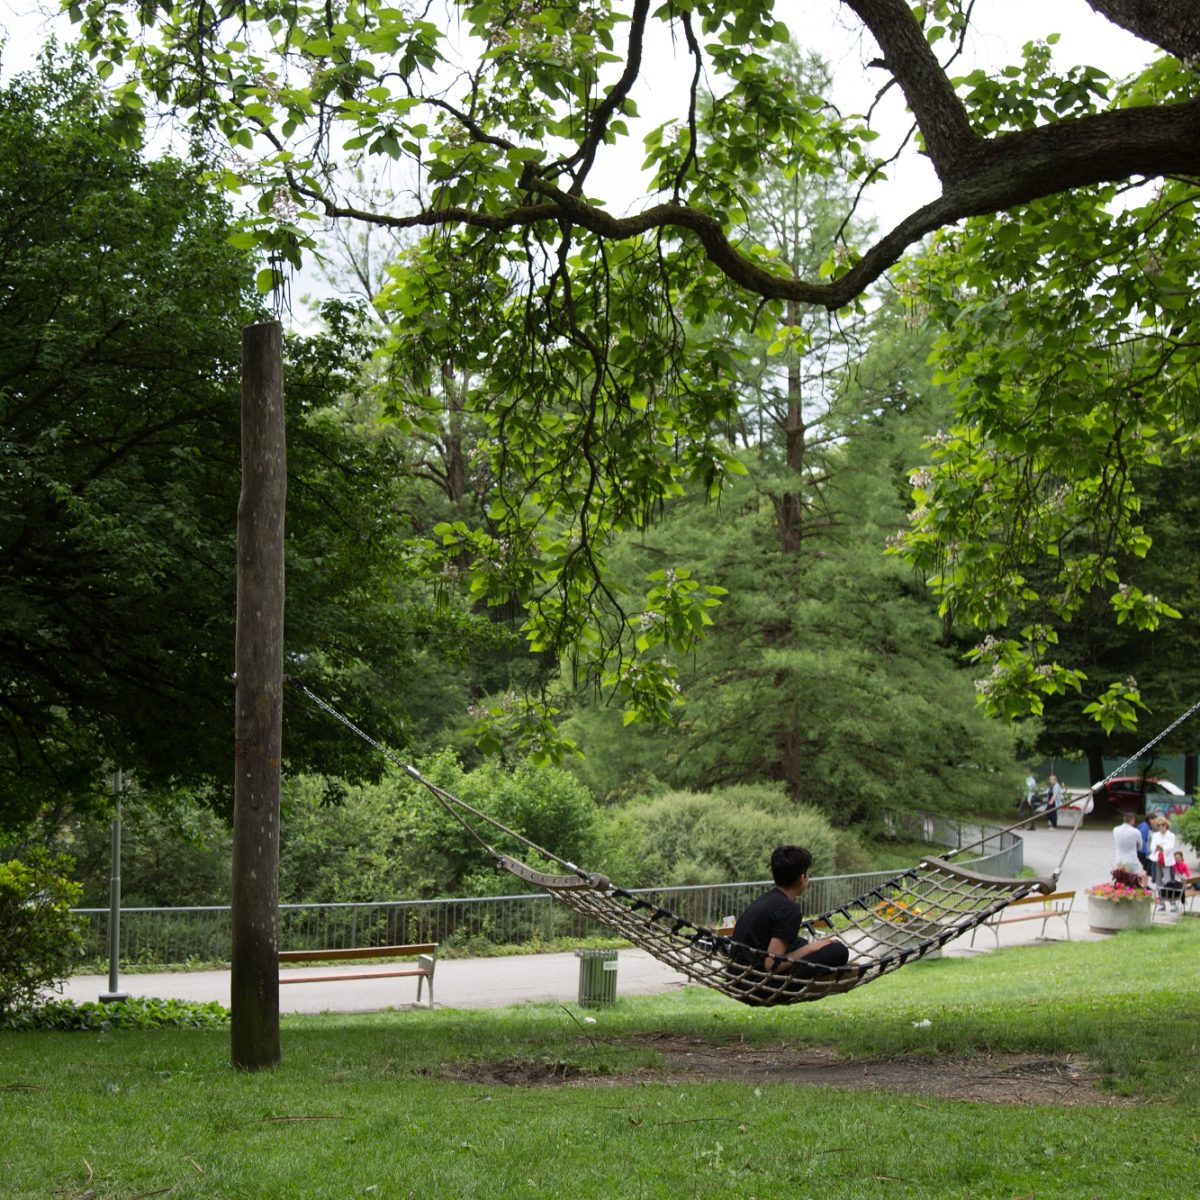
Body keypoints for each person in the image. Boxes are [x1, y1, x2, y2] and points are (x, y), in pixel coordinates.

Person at [729, 845, 850, 1001]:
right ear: (802, 878)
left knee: (800, 942)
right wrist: (812, 948)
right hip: (758, 987)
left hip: (737, 978)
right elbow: (772, 964)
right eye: (808, 874)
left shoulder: (768, 899)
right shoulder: (789, 909)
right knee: (838, 950)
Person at [1149, 817, 1177, 910]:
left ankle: (1172, 903)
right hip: (1157, 860)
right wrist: (1158, 848)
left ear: (1166, 825)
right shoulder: (1155, 835)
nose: (1161, 827)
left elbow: (1170, 847)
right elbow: (1152, 846)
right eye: (1159, 825)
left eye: (1163, 825)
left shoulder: (1171, 835)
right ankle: (1161, 903)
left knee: (1168, 882)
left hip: (1167, 861)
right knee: (1158, 882)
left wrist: (1161, 847)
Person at [1137, 811, 1154, 878]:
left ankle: (1144, 884)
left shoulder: (1144, 825)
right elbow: (1142, 840)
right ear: (1150, 819)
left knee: (1145, 868)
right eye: (1154, 819)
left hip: (1142, 851)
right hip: (1143, 852)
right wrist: (1147, 852)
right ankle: (1140, 882)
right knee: (1145, 868)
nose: (1155, 821)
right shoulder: (1145, 827)